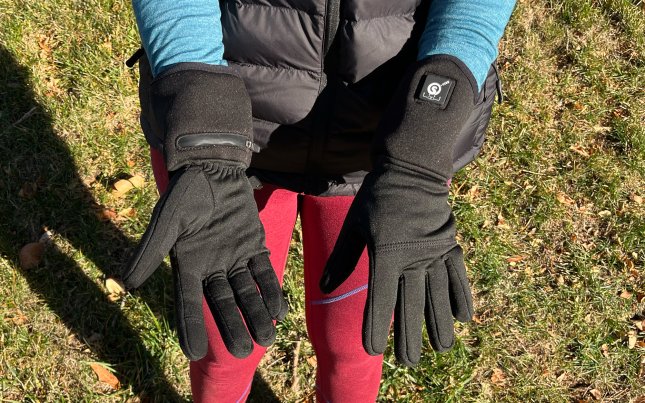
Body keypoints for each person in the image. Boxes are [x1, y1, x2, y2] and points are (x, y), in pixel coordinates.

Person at [121, 0, 516, 401]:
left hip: (389, 144)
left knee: (355, 342)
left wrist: (426, 134)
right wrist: (201, 120)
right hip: (220, 132)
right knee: (227, 342)